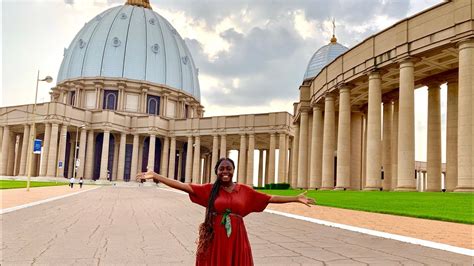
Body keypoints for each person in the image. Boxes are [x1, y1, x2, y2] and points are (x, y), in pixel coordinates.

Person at [138, 157, 315, 266]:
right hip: (215, 237)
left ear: (233, 171)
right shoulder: (210, 190)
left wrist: (295, 198)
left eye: (228, 168)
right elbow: (184, 186)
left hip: (237, 237)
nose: (225, 172)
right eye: (221, 169)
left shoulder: (244, 190)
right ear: (216, 171)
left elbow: (269, 198)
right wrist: (156, 176)